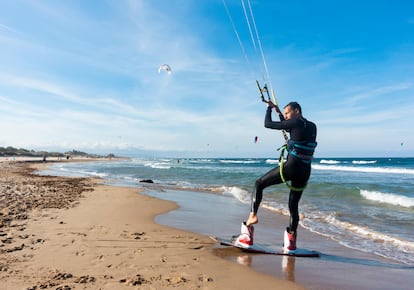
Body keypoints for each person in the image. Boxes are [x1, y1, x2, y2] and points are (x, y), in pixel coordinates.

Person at [234, 101, 317, 251]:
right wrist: (279, 112)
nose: (285, 116)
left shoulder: (295, 123)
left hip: (292, 166)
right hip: (305, 170)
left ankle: (250, 223)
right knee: (293, 205)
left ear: (296, 111)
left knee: (259, 184)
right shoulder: (312, 126)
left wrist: (268, 109)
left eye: (287, 113)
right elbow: (288, 125)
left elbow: (268, 124)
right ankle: (291, 242)